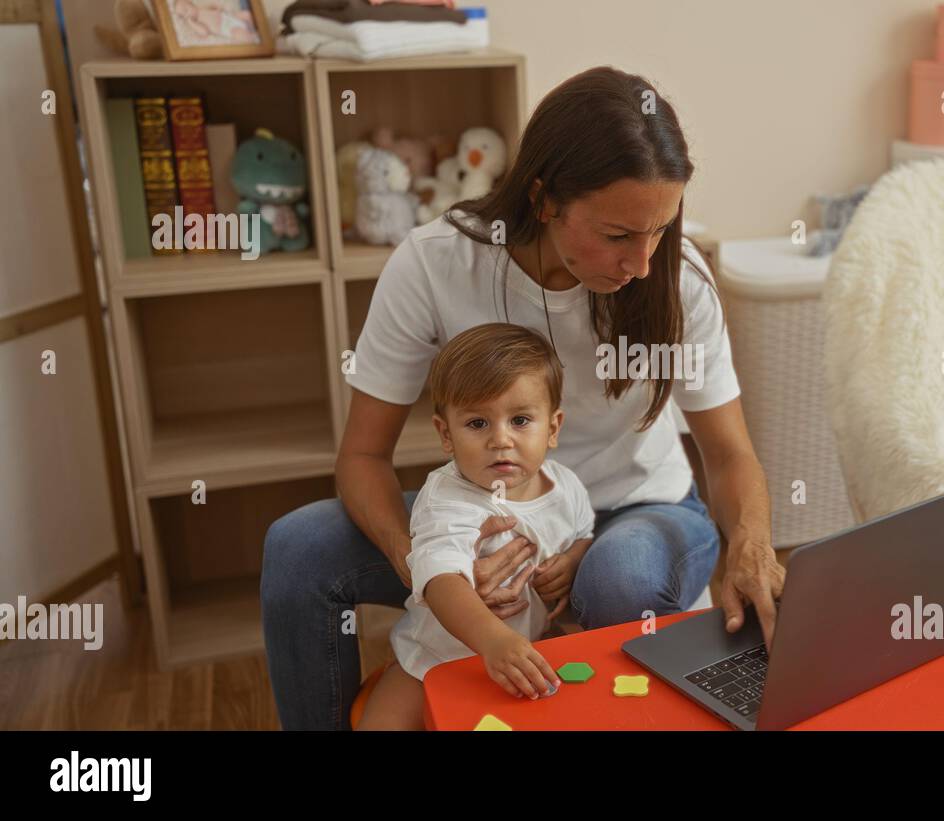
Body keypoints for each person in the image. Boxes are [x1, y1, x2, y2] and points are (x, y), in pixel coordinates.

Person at [261, 65, 785, 730]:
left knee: (620, 577)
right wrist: (429, 563)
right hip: (481, 510)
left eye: (661, 229)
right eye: (619, 235)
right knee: (299, 550)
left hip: (638, 508)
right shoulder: (434, 263)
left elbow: (730, 453)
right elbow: (362, 456)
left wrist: (754, 543)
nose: (644, 263)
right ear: (543, 200)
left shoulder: (678, 284)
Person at [357, 323, 588, 729]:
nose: (500, 440)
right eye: (478, 424)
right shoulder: (448, 497)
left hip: (527, 653)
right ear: (446, 434)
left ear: (552, 428)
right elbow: (440, 576)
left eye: (519, 420)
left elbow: (583, 533)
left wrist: (572, 559)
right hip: (435, 659)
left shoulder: (565, 486)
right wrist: (493, 640)